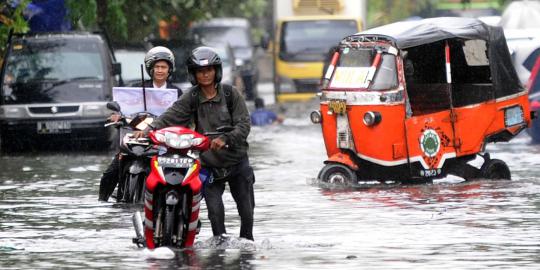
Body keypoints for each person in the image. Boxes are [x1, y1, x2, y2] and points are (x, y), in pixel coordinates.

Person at [135, 46, 255, 241]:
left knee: (247, 215)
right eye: (200, 71)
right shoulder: (191, 96)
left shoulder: (230, 94)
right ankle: (219, 251)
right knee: (215, 215)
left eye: (209, 70)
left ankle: (247, 249)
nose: (205, 75)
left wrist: (225, 139)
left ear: (216, 71)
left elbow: (244, 125)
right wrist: (149, 130)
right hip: (210, 166)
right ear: (194, 74)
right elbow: (171, 116)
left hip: (237, 163)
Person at [98, 46, 182, 202]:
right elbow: (123, 109)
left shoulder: (177, 93)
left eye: (163, 67)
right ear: (150, 69)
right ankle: (102, 202)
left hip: (162, 144)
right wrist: (116, 116)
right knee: (110, 174)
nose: (159, 70)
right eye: (156, 67)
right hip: (134, 141)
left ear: (170, 69)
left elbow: (183, 116)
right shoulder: (135, 89)